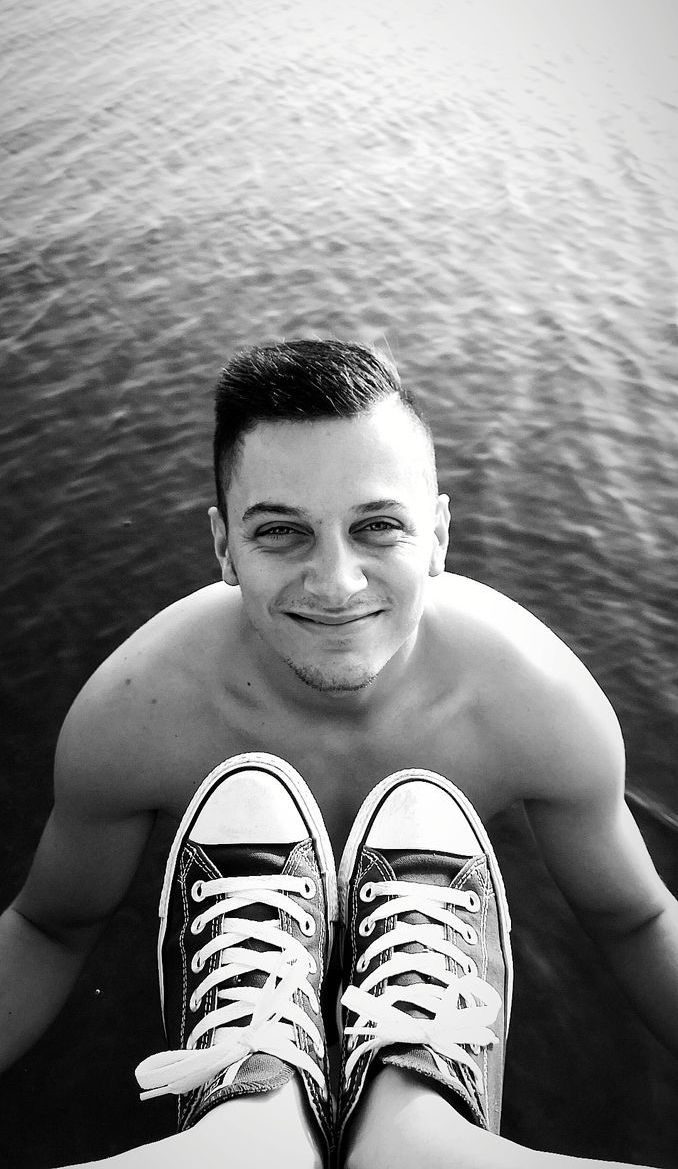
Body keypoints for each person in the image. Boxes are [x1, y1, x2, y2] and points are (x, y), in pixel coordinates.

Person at [1, 338, 676, 1169]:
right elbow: (48, 924)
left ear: (437, 535)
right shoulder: (141, 711)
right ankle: (398, 1127)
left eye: (377, 527)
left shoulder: (530, 701)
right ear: (222, 546)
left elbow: (639, 918)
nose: (337, 582)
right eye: (282, 531)